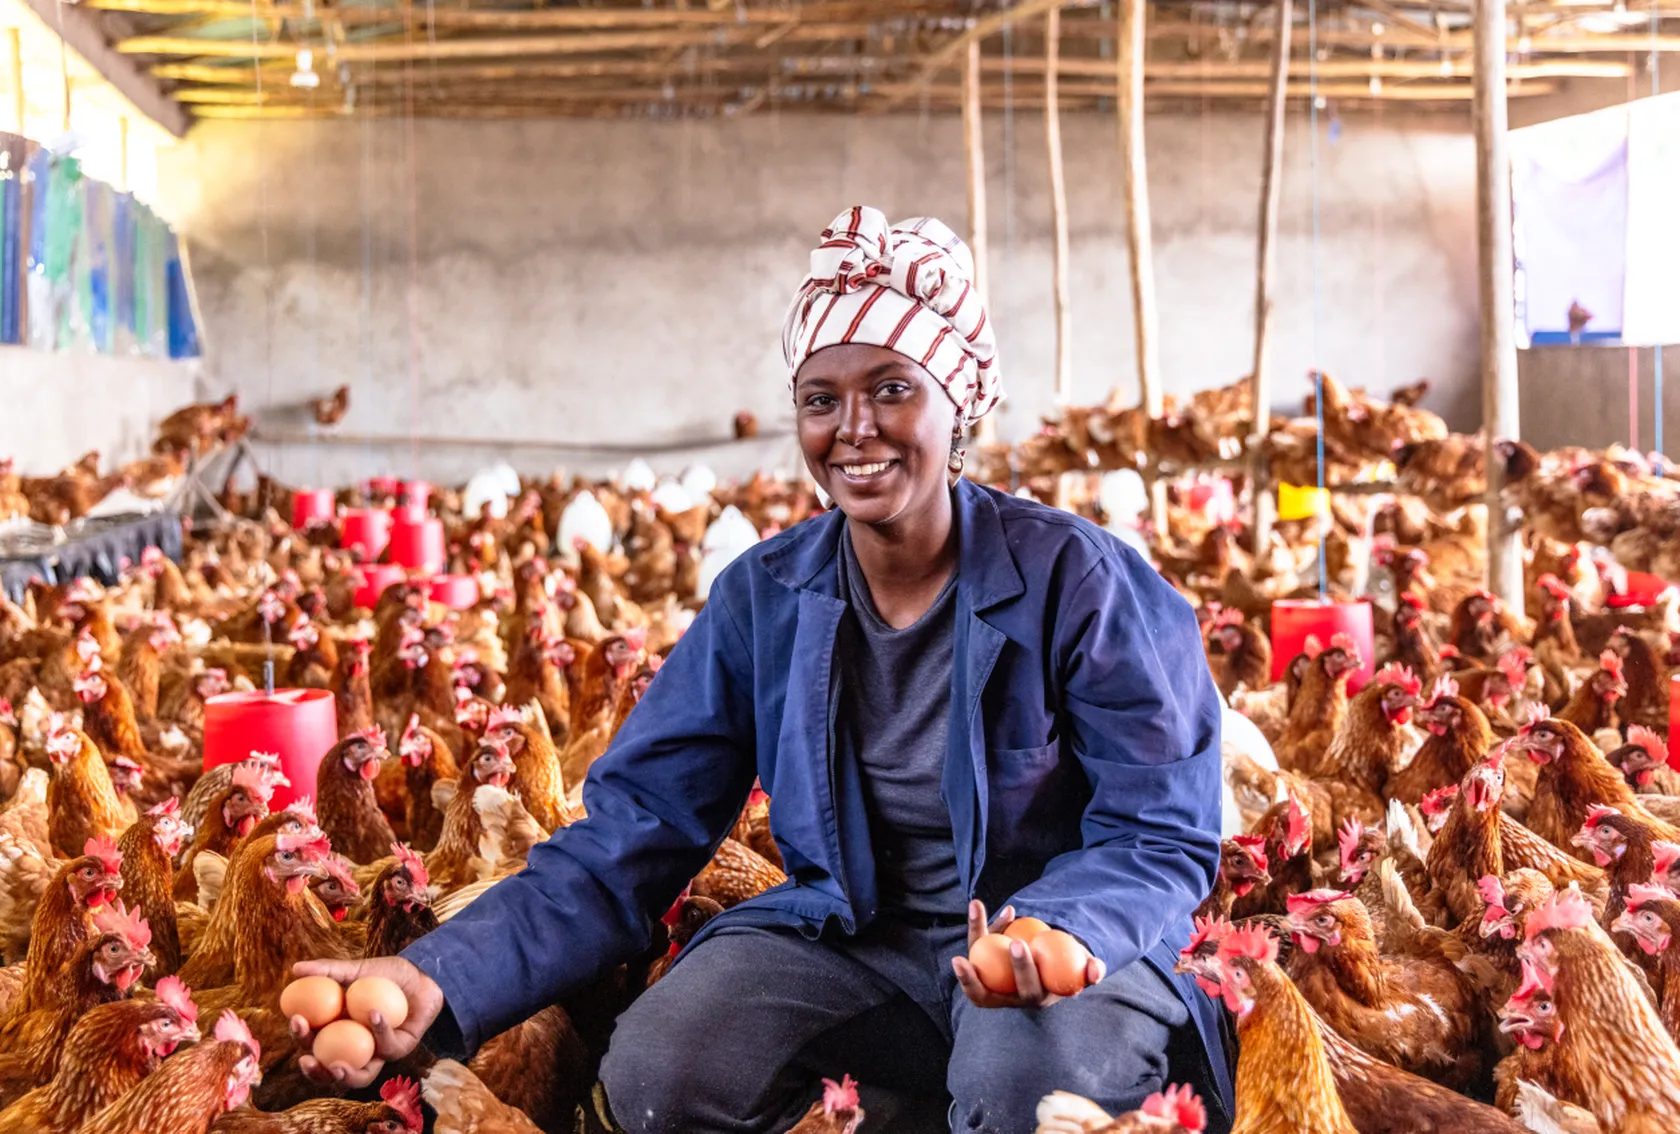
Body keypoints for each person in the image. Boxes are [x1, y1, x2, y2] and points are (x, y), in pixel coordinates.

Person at [291, 207, 1233, 1134]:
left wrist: (1061, 929)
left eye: (893, 389)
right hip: (855, 943)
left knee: (1025, 1081)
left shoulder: (1083, 584)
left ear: (960, 401)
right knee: (664, 1068)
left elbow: (1160, 833)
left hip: (1058, 955)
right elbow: (633, 834)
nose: (854, 428)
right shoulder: (767, 598)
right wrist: (439, 975)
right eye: (821, 399)